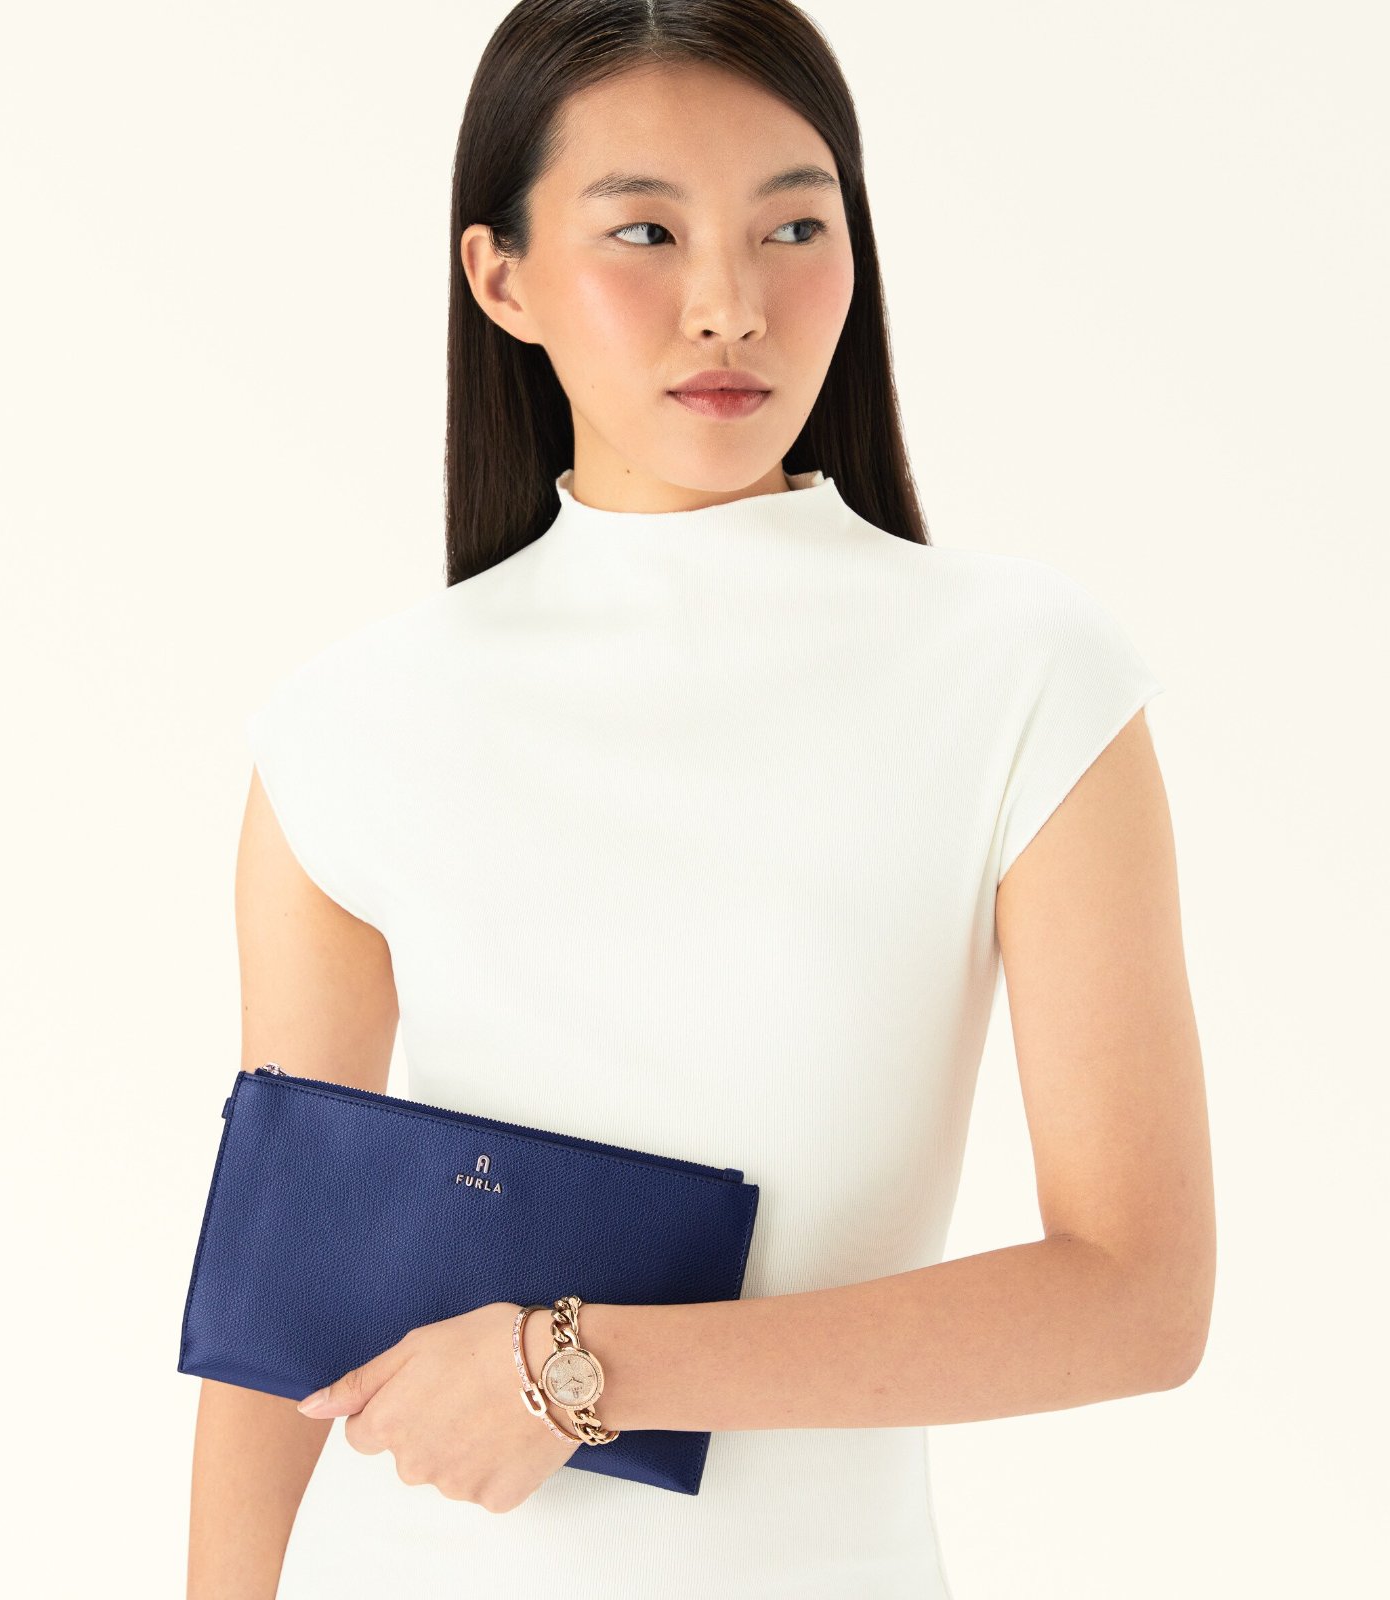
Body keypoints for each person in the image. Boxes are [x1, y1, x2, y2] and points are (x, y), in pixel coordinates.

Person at [186, 2, 1215, 1596]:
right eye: (646, 232)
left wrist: (575, 1369)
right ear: (501, 278)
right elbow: (277, 1331)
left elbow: (1138, 1297)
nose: (731, 303)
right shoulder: (347, 727)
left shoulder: (1021, 679)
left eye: (793, 227)